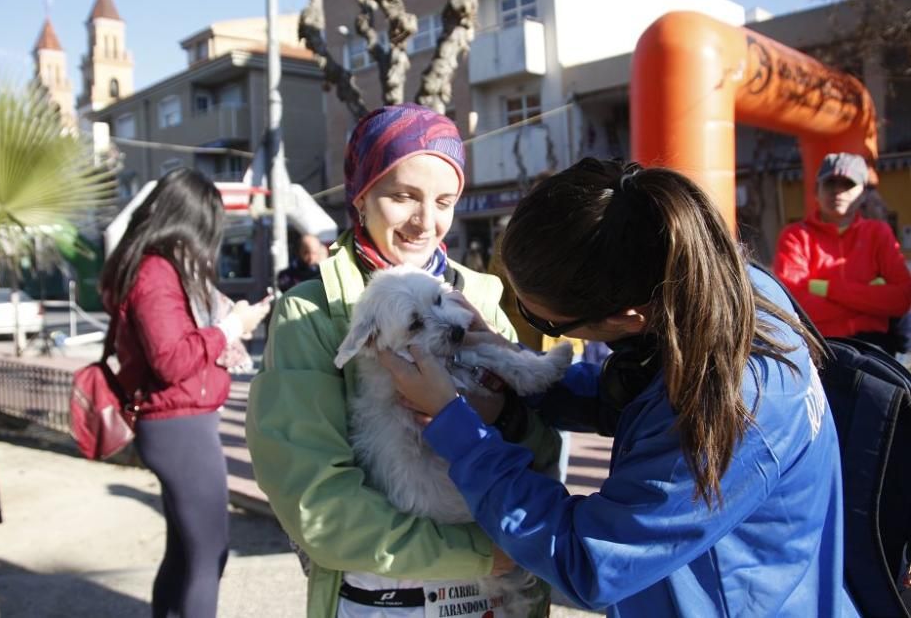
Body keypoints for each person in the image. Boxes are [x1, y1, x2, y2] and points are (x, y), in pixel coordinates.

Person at [381, 157, 857, 616]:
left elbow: (587, 561)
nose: (525, 323)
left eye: (538, 317)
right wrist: (514, 375)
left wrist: (461, 434)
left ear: (628, 317)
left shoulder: (731, 411)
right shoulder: (726, 293)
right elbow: (638, 399)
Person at [246, 103, 561, 618]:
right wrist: (480, 553)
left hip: (502, 599)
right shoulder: (311, 313)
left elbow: (541, 449)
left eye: (444, 200)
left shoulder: (480, 297)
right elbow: (318, 504)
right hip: (388, 598)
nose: (425, 222)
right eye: (403, 196)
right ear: (362, 193)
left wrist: (500, 413)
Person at [99, 168, 271, 618]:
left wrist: (226, 331)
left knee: (184, 553)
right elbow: (171, 359)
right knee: (206, 555)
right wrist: (233, 326)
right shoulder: (156, 272)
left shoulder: (152, 267)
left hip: (179, 425)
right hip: (180, 429)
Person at [774, 152, 911, 355]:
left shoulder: (878, 233)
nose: (838, 192)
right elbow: (794, 305)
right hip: (818, 346)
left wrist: (827, 288)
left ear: (863, 193)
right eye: (830, 184)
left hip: (874, 347)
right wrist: (869, 302)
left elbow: (901, 299)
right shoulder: (796, 235)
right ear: (816, 191)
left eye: (847, 184)